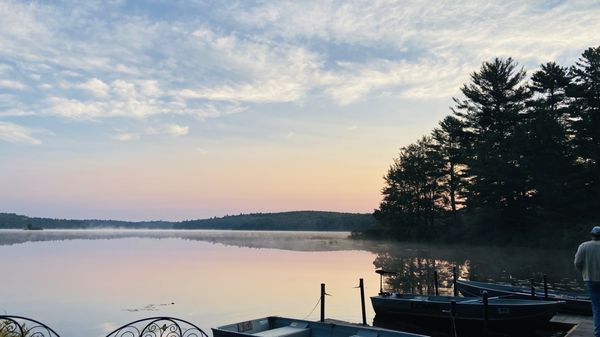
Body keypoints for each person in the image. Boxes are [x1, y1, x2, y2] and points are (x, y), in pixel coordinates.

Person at [575, 226, 600, 337]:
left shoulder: (584, 246)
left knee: (597, 307)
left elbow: (577, 262)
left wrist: (584, 272)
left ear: (591, 235)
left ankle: (598, 333)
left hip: (590, 280)